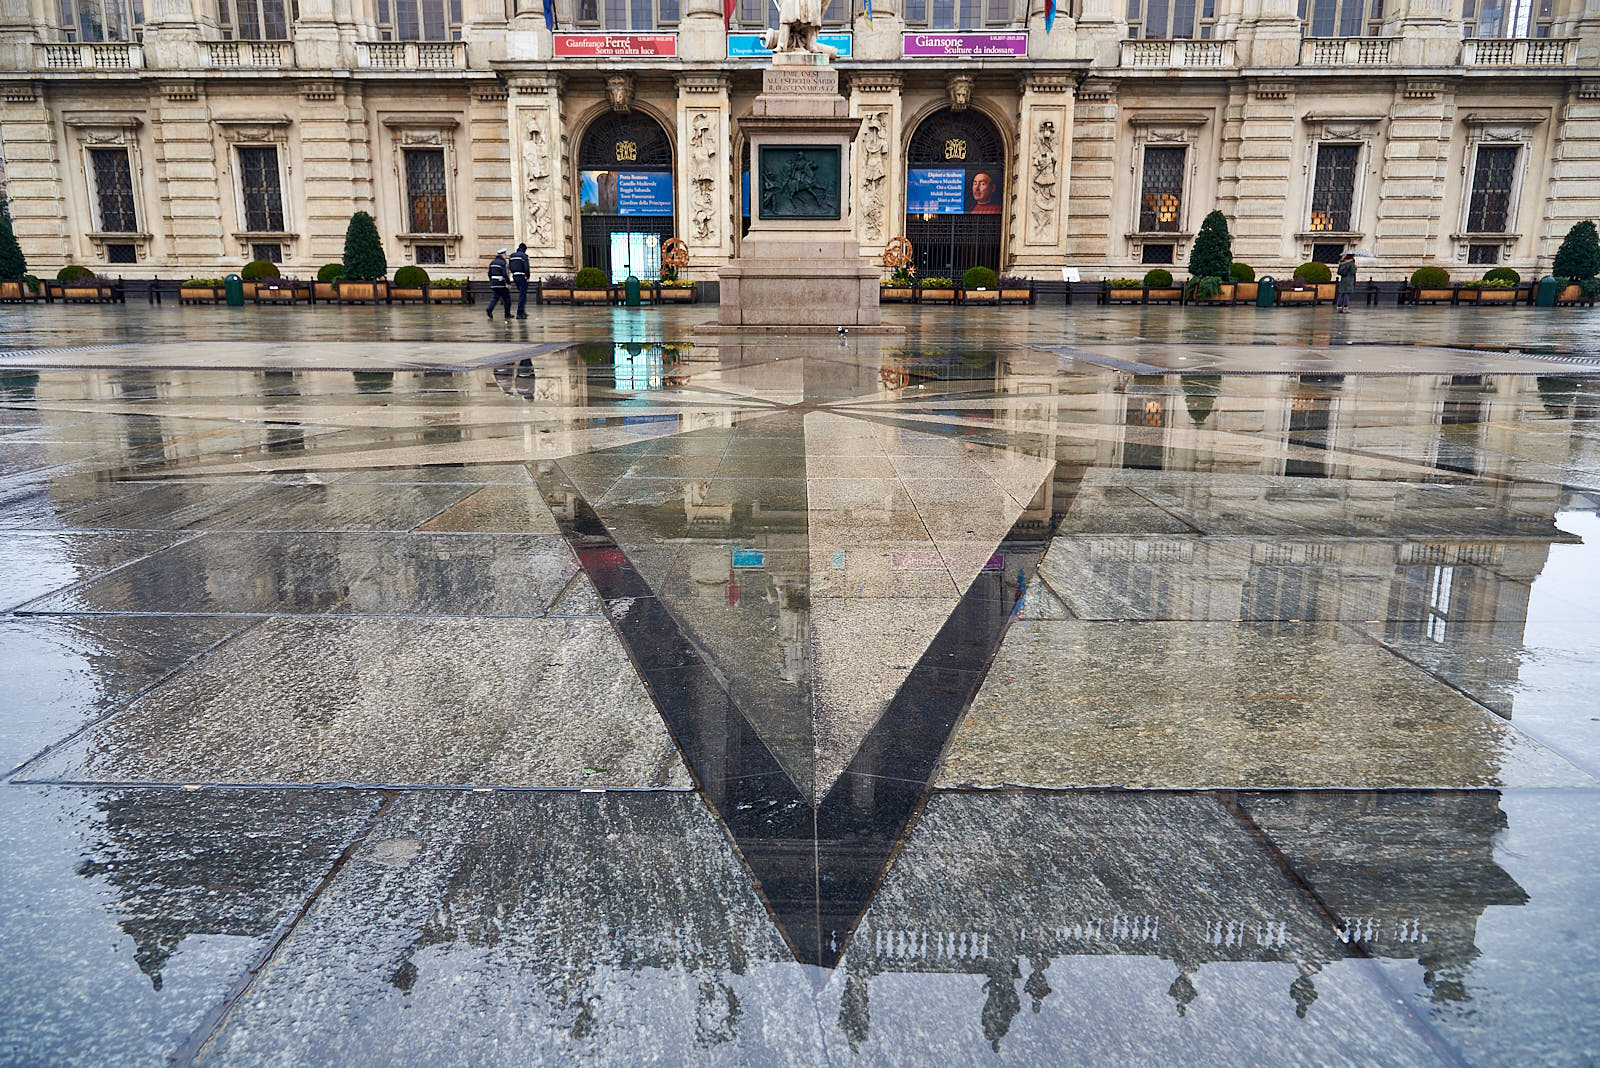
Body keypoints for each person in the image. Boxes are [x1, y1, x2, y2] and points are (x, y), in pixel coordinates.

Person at [485, 249, 511, 320]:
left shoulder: (492, 262)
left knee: (495, 297)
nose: (505, 256)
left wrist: (492, 281)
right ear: (503, 254)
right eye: (505, 254)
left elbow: (489, 273)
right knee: (507, 298)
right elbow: (505, 274)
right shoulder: (503, 262)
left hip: (494, 283)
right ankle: (507, 314)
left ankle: (489, 308)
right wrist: (508, 283)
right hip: (501, 283)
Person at [509, 242, 531, 319]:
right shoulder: (524, 256)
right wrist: (527, 277)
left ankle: (523, 311)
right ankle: (520, 312)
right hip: (522, 276)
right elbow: (526, 268)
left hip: (515, 276)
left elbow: (510, 266)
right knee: (522, 294)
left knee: (522, 294)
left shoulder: (512, 256)